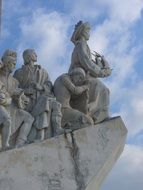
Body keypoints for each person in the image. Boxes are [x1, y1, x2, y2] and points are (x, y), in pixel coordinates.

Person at [14, 49, 63, 141]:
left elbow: (49, 85)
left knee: (54, 104)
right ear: (28, 56)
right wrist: (25, 91)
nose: (36, 55)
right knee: (44, 103)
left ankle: (57, 129)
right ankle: (38, 136)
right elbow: (14, 88)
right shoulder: (19, 72)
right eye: (34, 53)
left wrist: (41, 87)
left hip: (41, 97)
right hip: (27, 101)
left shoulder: (43, 71)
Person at [68, 21, 112, 123]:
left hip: (84, 74)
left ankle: (97, 115)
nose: (89, 32)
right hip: (78, 77)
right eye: (88, 30)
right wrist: (102, 72)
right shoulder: (81, 44)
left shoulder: (83, 45)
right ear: (82, 31)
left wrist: (100, 66)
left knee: (104, 89)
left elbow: (89, 64)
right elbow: (86, 62)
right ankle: (96, 116)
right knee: (103, 89)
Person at [0, 49, 34, 147]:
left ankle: (20, 143)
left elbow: (20, 97)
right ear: (7, 63)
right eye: (13, 63)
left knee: (29, 118)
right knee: (6, 120)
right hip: (3, 106)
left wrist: (22, 98)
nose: (15, 66)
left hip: (12, 108)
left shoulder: (15, 81)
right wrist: (12, 93)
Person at [0, 81, 11, 150]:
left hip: (1, 107)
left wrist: (4, 101)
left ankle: (5, 145)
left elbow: (9, 99)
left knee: (7, 121)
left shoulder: (1, 85)